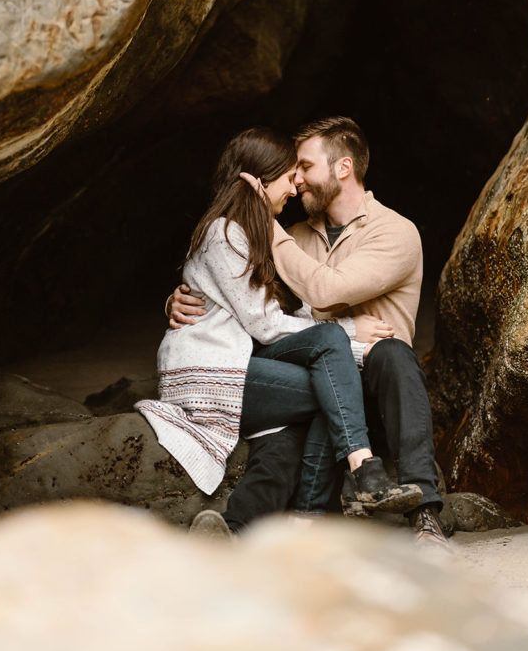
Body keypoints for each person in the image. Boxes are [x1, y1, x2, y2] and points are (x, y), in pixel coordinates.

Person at [169, 116, 448, 548]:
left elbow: (324, 291)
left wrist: (263, 222)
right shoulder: (292, 235)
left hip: (373, 383)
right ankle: (296, 519)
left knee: (391, 353)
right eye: (290, 172)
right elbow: (242, 289)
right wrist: (182, 297)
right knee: (302, 415)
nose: (296, 180)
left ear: (343, 168)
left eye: (304, 167)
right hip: (317, 372)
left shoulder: (394, 231)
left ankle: (424, 512)